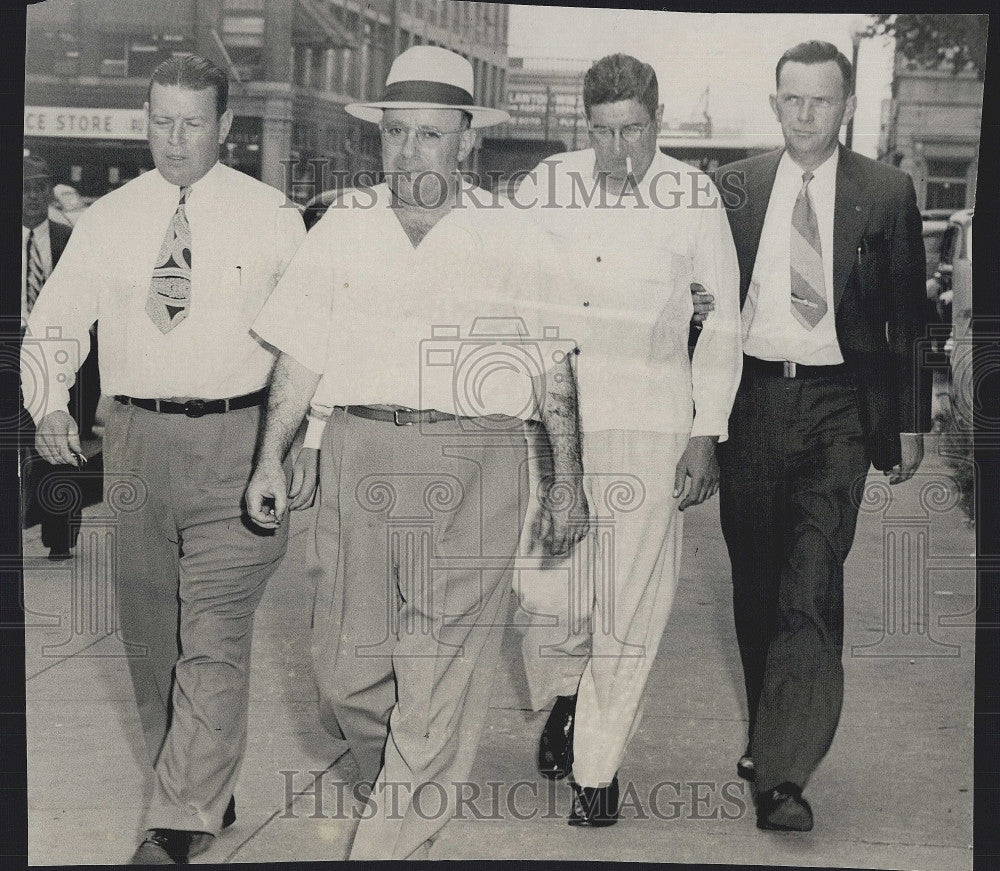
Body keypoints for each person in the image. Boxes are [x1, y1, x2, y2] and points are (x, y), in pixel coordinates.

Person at [244, 45, 589, 859]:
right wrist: (270, 455)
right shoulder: (342, 228)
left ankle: (389, 839)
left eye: (429, 136)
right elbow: (298, 356)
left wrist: (570, 481)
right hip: (361, 452)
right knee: (345, 675)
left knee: (436, 673)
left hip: (479, 461)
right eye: (396, 134)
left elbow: (554, 371)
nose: (409, 153)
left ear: (466, 140)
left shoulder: (516, 238)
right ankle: (400, 787)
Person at [22, 54, 306, 864]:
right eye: (159, 121)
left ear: (224, 127)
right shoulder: (110, 218)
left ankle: (178, 816)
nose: (173, 140)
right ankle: (197, 780)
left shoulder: (273, 215)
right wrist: (46, 401)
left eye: (191, 123)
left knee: (213, 631)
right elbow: (55, 321)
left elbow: (310, 340)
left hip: (238, 444)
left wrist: (295, 445)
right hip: (136, 443)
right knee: (154, 641)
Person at [511, 53, 742, 826]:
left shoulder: (694, 196)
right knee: (546, 596)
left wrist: (706, 431)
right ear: (587, 126)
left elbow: (724, 325)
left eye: (635, 130)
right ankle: (567, 696)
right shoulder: (545, 185)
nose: (621, 151)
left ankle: (598, 769)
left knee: (629, 604)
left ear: (658, 119)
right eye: (605, 133)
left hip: (650, 419)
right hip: (556, 420)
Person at [713, 40, 930, 831]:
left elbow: (910, 319)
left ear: (845, 106)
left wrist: (910, 421)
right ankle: (767, 732)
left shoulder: (887, 191)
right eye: (792, 100)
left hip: (839, 407)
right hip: (751, 404)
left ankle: (785, 775)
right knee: (757, 584)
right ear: (775, 102)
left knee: (810, 579)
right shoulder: (733, 188)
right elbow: (702, 314)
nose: (806, 116)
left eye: (822, 102)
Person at [19, 154, 89, 560]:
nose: (31, 196)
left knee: (60, 448)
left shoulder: (69, 240)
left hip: (58, 357)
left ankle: (60, 537)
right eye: (24, 188)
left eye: (39, 187)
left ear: (50, 191)